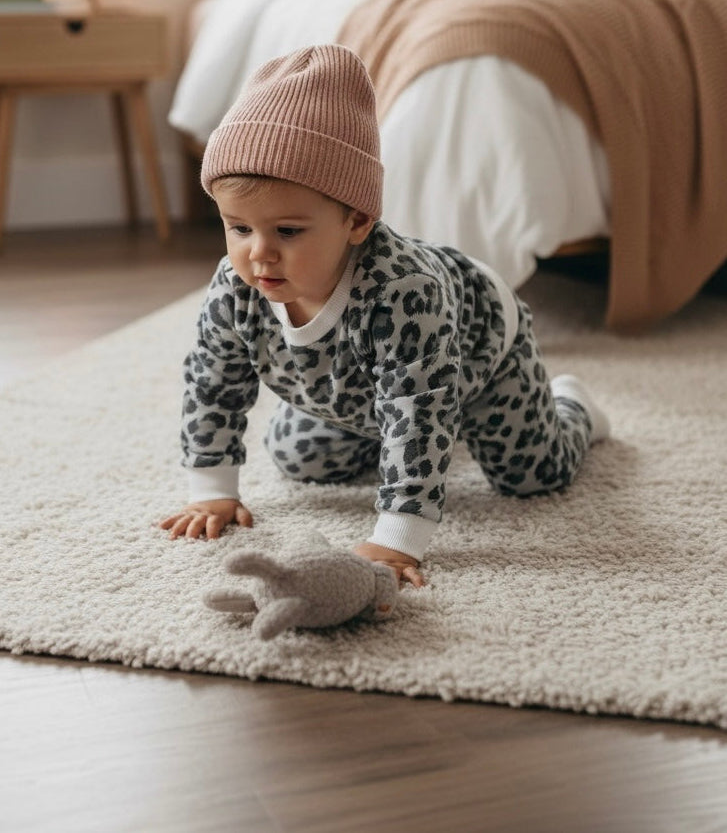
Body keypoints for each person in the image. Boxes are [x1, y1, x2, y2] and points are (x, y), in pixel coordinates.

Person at [160, 44, 609, 587]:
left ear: (356, 220)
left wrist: (397, 539)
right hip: (355, 392)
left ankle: (571, 406)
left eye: (288, 231)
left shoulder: (403, 293)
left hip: (478, 351)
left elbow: (418, 409)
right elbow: (213, 385)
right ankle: (421, 439)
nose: (260, 253)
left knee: (533, 474)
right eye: (239, 228)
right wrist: (213, 491)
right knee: (302, 457)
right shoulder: (235, 289)